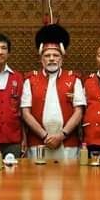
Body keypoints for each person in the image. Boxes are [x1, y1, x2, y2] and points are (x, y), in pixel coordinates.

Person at [21, 24, 86, 161]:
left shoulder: (74, 79)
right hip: (39, 143)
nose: (51, 58)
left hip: (68, 144)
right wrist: (45, 136)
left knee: (68, 181)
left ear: (62, 58)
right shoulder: (30, 79)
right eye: (47, 55)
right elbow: (25, 113)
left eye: (56, 55)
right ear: (41, 59)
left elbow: (79, 111)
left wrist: (62, 135)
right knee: (38, 181)